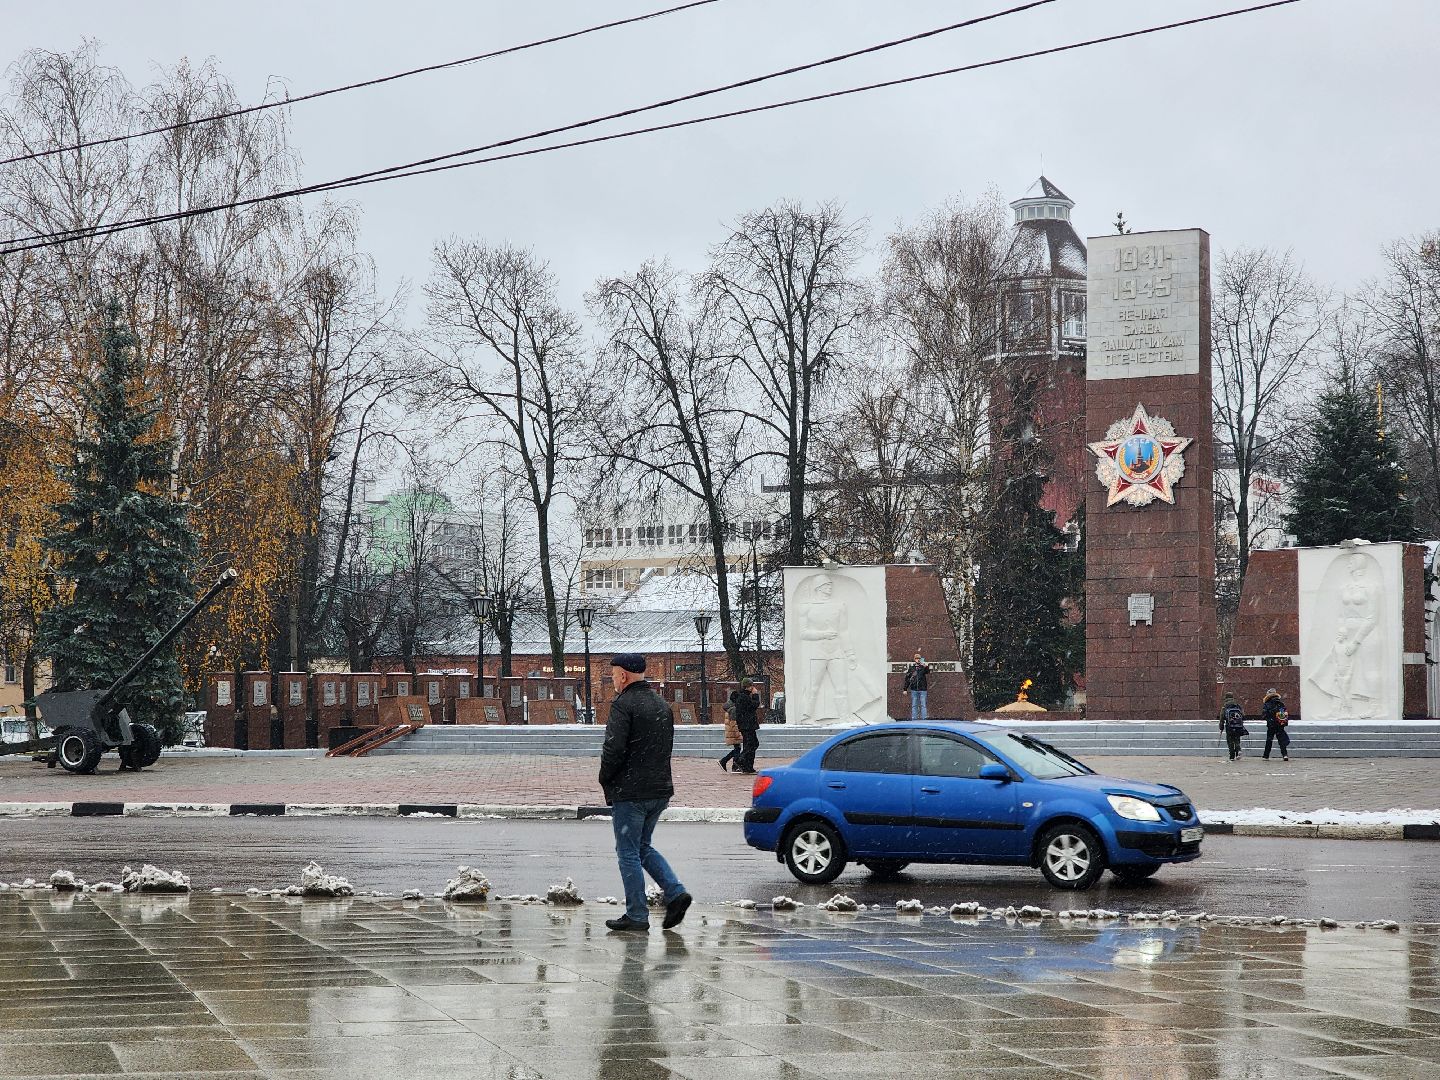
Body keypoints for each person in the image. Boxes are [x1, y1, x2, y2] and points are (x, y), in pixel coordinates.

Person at [597, 653, 691, 932]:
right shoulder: (661, 703)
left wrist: (605, 779)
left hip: (631, 792)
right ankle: (675, 892)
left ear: (624, 675)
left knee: (627, 852)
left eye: (614, 675)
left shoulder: (624, 704)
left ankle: (637, 914)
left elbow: (613, 749)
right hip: (659, 790)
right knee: (642, 847)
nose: (613, 680)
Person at [1261, 688, 1291, 761]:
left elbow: (1264, 715)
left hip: (1271, 724)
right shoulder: (1280, 703)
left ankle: (1266, 755)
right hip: (1280, 724)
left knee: (1269, 740)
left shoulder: (1267, 704)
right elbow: (1284, 713)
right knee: (1281, 740)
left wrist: (1268, 718)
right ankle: (1285, 755)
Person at [1218, 692, 1247, 761]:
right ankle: (1238, 751)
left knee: (1230, 741)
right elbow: (1243, 715)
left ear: (1226, 698)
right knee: (1237, 739)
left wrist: (1221, 727)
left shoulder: (1225, 707)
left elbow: (1222, 718)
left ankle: (1232, 756)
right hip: (1238, 726)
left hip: (1229, 726)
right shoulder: (1237, 705)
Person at [718, 691, 742, 772]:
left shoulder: (729, 707)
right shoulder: (733, 709)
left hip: (730, 731)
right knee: (737, 749)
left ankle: (732, 765)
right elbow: (733, 723)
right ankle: (726, 762)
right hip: (733, 732)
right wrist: (738, 734)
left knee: (737, 748)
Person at [903, 652, 930, 720]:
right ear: (914, 659)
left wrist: (925, 666)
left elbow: (928, 672)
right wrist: (905, 689)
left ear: (920, 659)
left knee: (923, 705)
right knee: (914, 705)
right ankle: (914, 719)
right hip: (914, 689)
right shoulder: (911, 668)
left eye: (919, 658)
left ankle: (924, 718)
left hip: (923, 689)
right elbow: (908, 679)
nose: (917, 660)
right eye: (916, 658)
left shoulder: (923, 667)